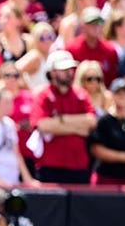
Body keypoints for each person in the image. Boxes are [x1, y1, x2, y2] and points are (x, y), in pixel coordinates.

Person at [31, 51, 97, 184]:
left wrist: (60, 120)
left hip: (79, 166)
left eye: (70, 69)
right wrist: (78, 128)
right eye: (63, 69)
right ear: (52, 72)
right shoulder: (43, 95)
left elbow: (91, 121)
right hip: (50, 166)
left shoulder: (80, 94)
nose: (69, 73)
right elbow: (42, 125)